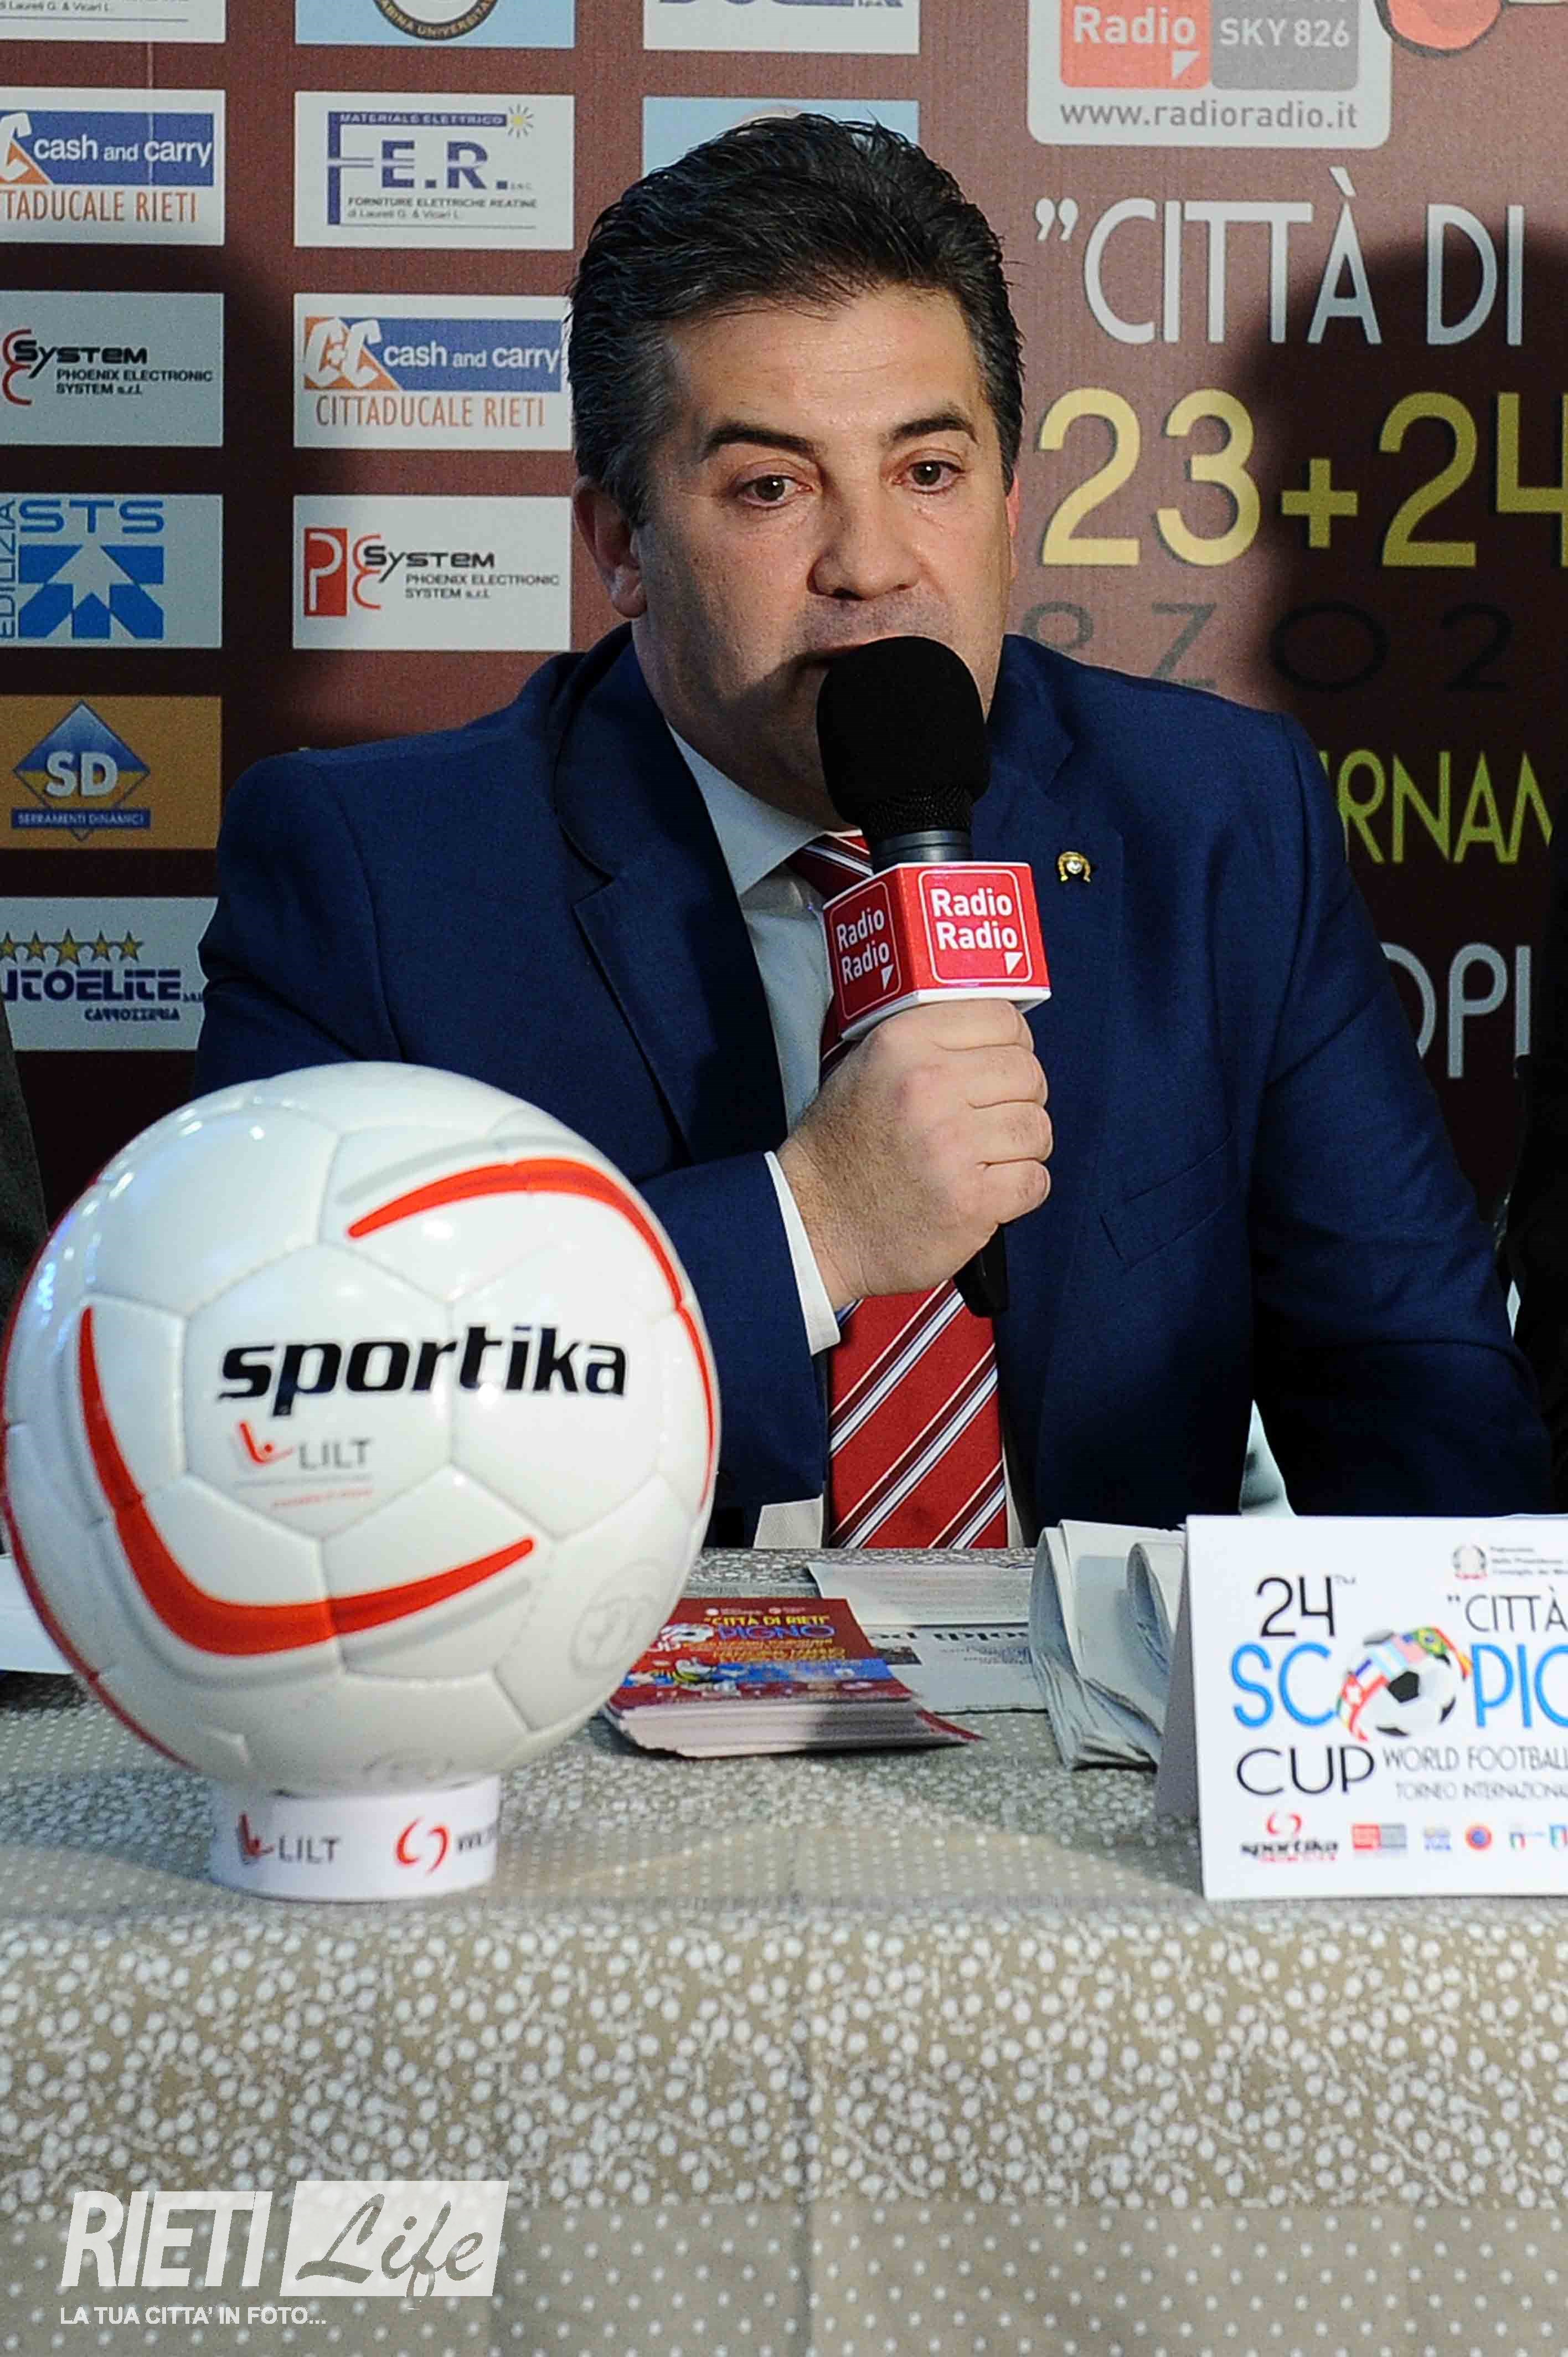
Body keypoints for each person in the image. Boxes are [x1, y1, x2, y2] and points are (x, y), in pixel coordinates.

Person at [195, 116, 1550, 1543]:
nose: (871, 565)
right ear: (620, 547)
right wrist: (810, 1225)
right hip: (611, 1677)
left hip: (1102, 1685)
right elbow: (257, 1415)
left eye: (929, 473)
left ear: (1013, 506)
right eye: (771, 488)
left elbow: (1411, 1386)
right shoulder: (377, 871)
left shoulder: (1212, 818)